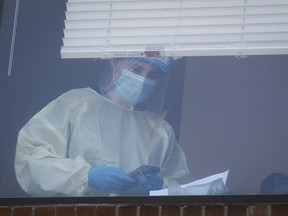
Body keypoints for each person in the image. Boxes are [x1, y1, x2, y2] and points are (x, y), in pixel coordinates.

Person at [14, 57, 190, 197]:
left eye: (153, 75)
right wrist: (87, 176)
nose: (143, 80)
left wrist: (162, 186)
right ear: (114, 62)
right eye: (136, 69)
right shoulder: (76, 105)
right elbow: (30, 159)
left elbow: (182, 186)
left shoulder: (160, 131)